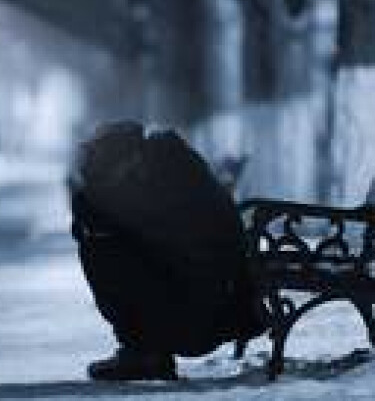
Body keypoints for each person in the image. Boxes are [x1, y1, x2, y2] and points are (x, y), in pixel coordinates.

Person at [68, 121, 266, 381]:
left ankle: (144, 354)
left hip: (210, 313)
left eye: (110, 170)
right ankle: (144, 352)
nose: (112, 180)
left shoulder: (168, 173)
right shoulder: (162, 168)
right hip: (210, 304)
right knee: (101, 244)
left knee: (102, 252)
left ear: (129, 158)